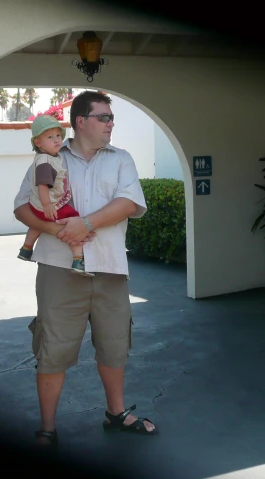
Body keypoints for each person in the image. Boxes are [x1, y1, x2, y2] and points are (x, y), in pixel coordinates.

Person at [12, 90, 158, 448]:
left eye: (111, 118)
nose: (111, 124)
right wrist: (58, 229)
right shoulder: (49, 156)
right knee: (53, 349)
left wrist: (86, 223)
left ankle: (117, 414)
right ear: (81, 121)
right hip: (59, 269)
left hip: (109, 269)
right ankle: (47, 427)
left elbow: (128, 203)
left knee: (113, 345)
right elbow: (21, 208)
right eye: (104, 117)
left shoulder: (121, 159)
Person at [17, 115, 93, 277]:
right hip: (51, 205)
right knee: (75, 223)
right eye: (50, 137)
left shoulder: (47, 157)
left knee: (37, 224)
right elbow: (42, 185)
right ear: (38, 143)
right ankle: (78, 259)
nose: (57, 140)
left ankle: (26, 249)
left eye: (58, 136)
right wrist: (48, 205)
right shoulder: (45, 162)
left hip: (36, 206)